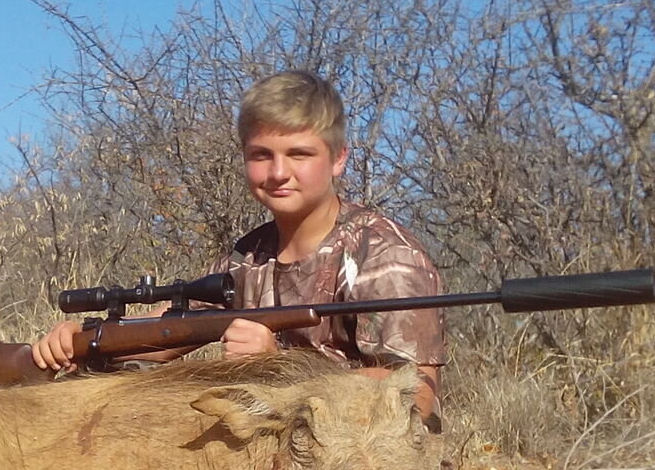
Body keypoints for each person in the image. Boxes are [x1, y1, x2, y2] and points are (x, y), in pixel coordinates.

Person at [32, 70, 446, 429]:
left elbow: (414, 397)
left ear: (338, 159)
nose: (279, 173)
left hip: (375, 468)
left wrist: (282, 370)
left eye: (299, 154)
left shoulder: (386, 255)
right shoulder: (248, 256)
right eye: (261, 155)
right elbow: (172, 329)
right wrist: (87, 340)